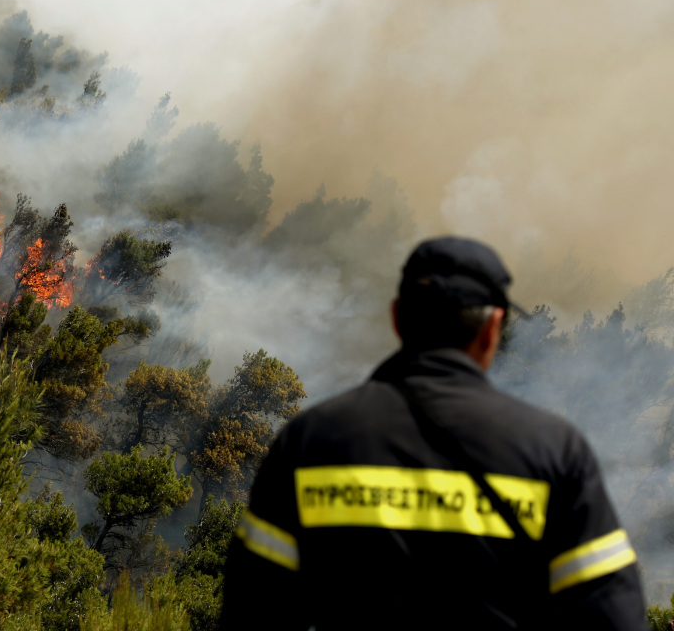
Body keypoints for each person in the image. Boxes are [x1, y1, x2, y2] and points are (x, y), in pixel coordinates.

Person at [219, 237, 646, 630]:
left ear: (397, 318)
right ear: (493, 327)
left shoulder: (310, 441)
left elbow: (251, 611)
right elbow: (613, 616)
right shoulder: (554, 449)